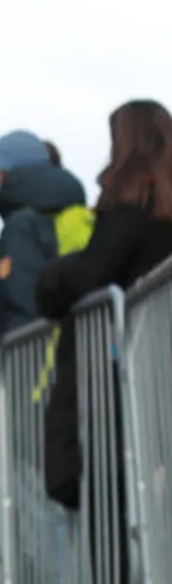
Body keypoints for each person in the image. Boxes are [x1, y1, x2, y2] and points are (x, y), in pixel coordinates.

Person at [36, 100, 172, 510]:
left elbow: (86, 278)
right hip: (156, 370)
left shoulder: (131, 204)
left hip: (117, 380)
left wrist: (55, 276)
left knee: (113, 510)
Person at [0, 130, 91, 343]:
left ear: (2, 172)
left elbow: (21, 299)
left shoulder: (20, 226)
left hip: (34, 360)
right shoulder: (70, 212)